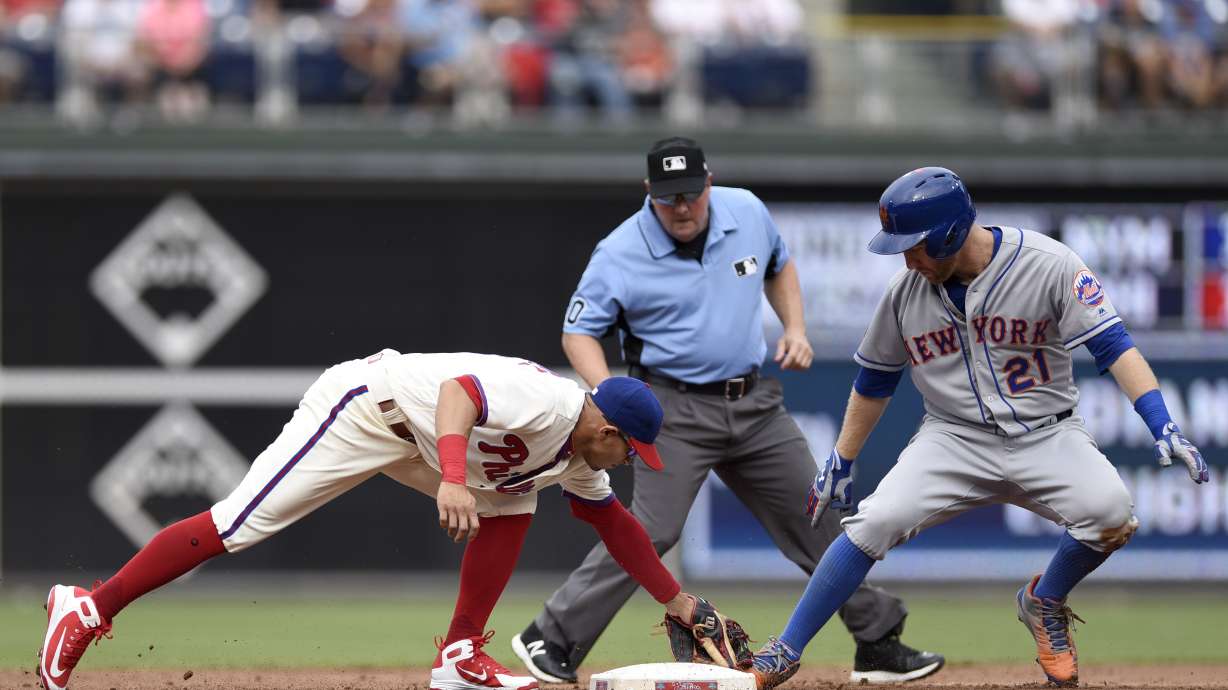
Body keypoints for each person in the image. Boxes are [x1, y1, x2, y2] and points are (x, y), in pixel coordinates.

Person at [747, 167, 1211, 690]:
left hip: (1047, 434)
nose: (907, 259)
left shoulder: (1048, 264)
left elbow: (1113, 347)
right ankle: (783, 651)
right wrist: (842, 458)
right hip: (953, 439)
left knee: (1112, 513)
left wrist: (1161, 421)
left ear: (948, 232)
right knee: (871, 524)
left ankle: (1045, 601)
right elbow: (874, 381)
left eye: (915, 246)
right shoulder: (905, 293)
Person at [510, 137, 944, 686]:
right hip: (672, 407)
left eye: (691, 193)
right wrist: (608, 398)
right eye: (669, 198)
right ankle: (551, 636)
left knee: (818, 517)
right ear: (650, 194)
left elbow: (779, 268)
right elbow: (579, 332)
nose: (683, 207)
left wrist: (794, 328)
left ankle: (877, 640)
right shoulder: (619, 250)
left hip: (754, 402)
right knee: (652, 529)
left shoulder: (746, 211)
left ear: (709, 182)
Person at [37, 349, 731, 690]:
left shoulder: (578, 455)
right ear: (605, 425)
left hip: (422, 438)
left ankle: (459, 656)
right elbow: (461, 396)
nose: (626, 460)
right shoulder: (550, 404)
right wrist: (454, 479)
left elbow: (617, 527)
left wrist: (680, 601)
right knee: (240, 522)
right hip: (367, 409)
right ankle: (88, 610)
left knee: (512, 499)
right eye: (626, 447)